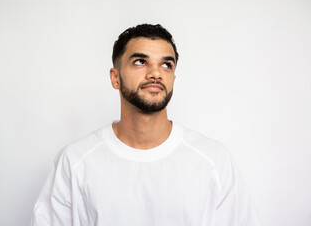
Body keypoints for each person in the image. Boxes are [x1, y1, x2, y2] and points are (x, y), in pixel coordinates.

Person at [31, 24, 261, 226]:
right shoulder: (75, 161)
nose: (155, 74)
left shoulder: (213, 161)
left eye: (166, 65)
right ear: (115, 77)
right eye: (140, 62)